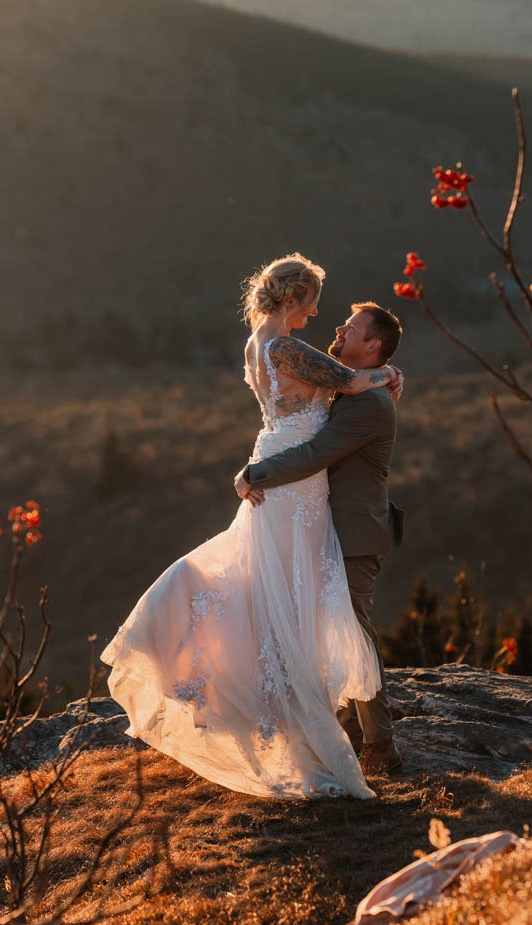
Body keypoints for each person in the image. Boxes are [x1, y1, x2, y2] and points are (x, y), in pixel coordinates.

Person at [102, 252, 401, 799]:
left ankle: (266, 698)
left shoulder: (257, 342)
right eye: (312, 303)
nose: (318, 315)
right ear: (293, 298)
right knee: (291, 596)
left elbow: (333, 387)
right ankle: (305, 715)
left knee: (272, 589)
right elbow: (348, 384)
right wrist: (388, 373)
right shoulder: (287, 345)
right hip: (293, 477)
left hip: (280, 461)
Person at [234, 301, 403, 776]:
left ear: (371, 346)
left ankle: (380, 745)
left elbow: (315, 453)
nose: (338, 329)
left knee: (352, 629)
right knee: (327, 630)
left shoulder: (369, 402)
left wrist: (256, 473)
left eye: (350, 328)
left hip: (355, 533)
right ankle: (343, 734)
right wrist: (389, 371)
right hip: (327, 528)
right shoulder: (352, 385)